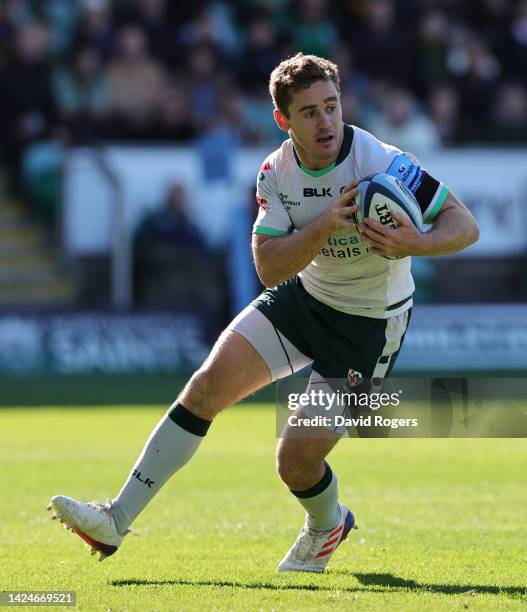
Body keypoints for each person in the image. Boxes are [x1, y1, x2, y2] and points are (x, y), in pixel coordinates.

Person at [48, 53, 479, 572]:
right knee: (206, 385)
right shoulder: (276, 172)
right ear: (284, 120)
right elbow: (270, 268)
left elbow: (465, 224)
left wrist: (419, 240)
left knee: (294, 463)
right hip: (304, 298)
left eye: (332, 107)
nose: (326, 122)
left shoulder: (382, 163)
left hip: (369, 325)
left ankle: (327, 525)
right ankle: (116, 519)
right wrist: (322, 227)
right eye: (310, 112)